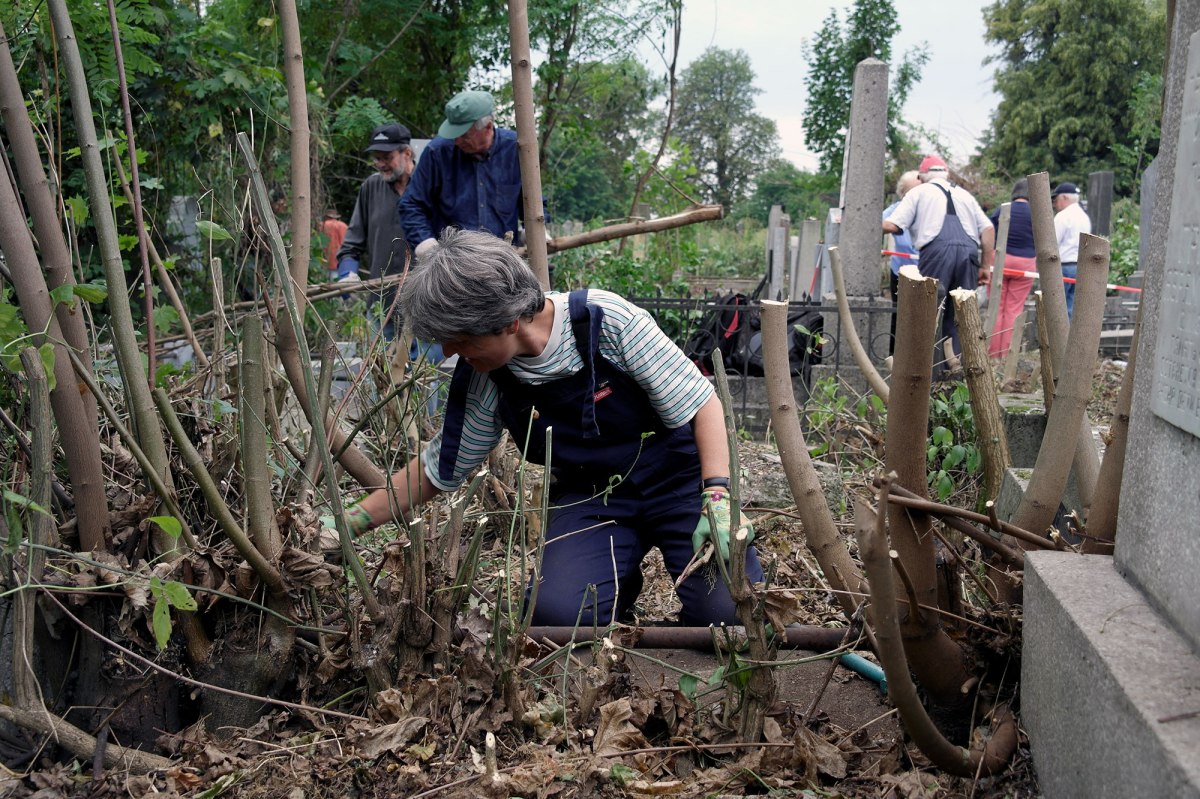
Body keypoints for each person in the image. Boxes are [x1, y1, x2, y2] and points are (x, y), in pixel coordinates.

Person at [342, 228, 764, 627]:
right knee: (557, 614)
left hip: (682, 485)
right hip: (593, 497)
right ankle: (610, 578)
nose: (451, 350)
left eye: (462, 338)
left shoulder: (605, 320)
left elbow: (701, 403)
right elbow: (441, 467)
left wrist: (718, 494)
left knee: (731, 615)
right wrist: (350, 522)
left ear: (508, 321)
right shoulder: (486, 372)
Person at [399, 91, 537, 259]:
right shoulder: (437, 153)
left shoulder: (516, 150)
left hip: (503, 260)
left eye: (464, 135)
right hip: (453, 264)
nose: (456, 141)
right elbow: (411, 204)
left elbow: (533, 199)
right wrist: (425, 242)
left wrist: (536, 231)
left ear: (487, 127)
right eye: (453, 135)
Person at [883, 154, 995, 361]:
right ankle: (959, 370)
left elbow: (892, 225)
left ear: (922, 176)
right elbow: (988, 229)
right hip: (969, 255)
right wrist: (985, 266)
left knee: (930, 313)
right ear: (947, 174)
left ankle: (928, 373)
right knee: (961, 314)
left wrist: (863, 225)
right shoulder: (965, 196)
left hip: (936, 254)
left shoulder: (918, 192)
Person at [336, 123, 414, 339]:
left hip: (426, 306)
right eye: (376, 158)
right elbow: (351, 245)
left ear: (407, 153)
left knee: (428, 371)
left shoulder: (428, 185)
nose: (380, 164)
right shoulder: (370, 187)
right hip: (382, 307)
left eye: (386, 157)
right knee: (380, 371)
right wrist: (347, 274)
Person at [989, 179, 1037, 358]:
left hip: (1000, 260)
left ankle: (991, 352)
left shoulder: (1002, 208)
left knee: (996, 306)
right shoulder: (1036, 213)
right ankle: (1006, 354)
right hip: (1025, 263)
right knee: (1014, 309)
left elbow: (989, 231)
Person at [883, 170, 920, 354]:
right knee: (899, 315)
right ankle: (895, 354)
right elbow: (880, 221)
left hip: (927, 271)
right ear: (903, 194)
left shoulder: (930, 208)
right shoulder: (896, 209)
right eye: (913, 191)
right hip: (901, 270)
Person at [1052, 181, 1091, 319]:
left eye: (1056, 200)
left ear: (1064, 198)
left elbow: (1052, 243)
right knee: (1072, 306)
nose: (1055, 205)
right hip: (1080, 266)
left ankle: (1061, 338)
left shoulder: (1063, 217)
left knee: (1058, 308)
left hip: (1064, 266)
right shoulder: (1084, 217)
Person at [318, 209, 348, 281]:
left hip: (326, 257)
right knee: (337, 279)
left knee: (326, 279)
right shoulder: (343, 225)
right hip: (340, 257)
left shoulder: (323, 225)